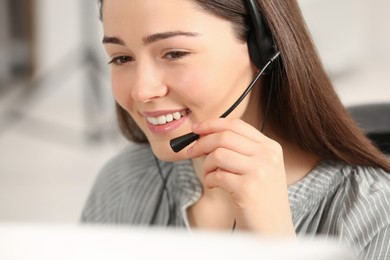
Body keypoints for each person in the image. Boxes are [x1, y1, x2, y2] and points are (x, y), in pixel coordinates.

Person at [81, 0, 390, 259]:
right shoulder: (122, 181)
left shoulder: (376, 214)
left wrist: (276, 244)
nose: (141, 91)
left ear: (261, 48)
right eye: (121, 58)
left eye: (174, 53)